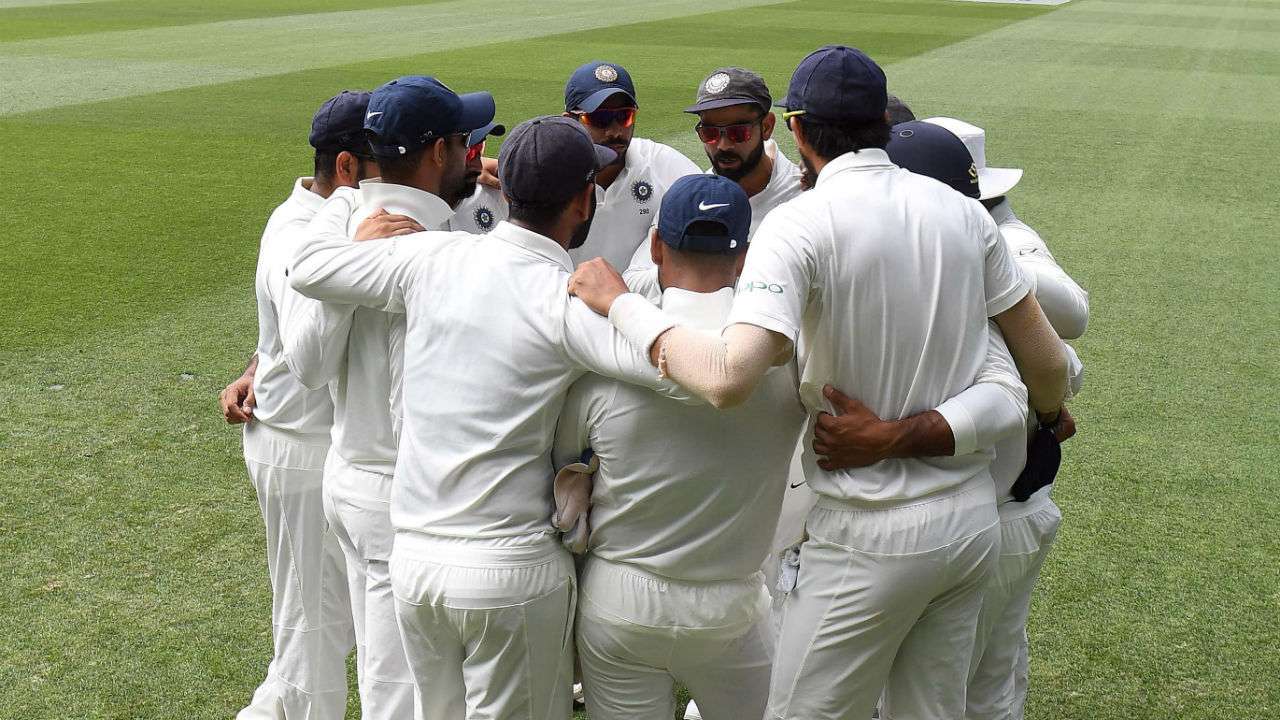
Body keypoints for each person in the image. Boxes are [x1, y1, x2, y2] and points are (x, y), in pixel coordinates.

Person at [567, 45, 1069, 720]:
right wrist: (1047, 415)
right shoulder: (967, 215)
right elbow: (1046, 364)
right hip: (969, 526)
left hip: (869, 532)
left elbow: (725, 379)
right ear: (881, 125)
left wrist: (616, 304)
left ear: (795, 127)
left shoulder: (798, 223)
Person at [288, 116, 689, 720]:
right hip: (510, 574)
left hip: (417, 567)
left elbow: (308, 270)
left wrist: (354, 218)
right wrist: (622, 299)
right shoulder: (561, 302)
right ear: (585, 200)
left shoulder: (429, 256)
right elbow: (677, 368)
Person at [279, 75, 500, 720]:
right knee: (400, 694)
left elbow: (308, 366)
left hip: (349, 480)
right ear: (437, 153)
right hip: (398, 499)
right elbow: (311, 364)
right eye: (464, 142)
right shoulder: (432, 244)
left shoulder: (335, 215)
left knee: (399, 683)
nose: (473, 153)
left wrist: (347, 261)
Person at [912, 116, 1088, 720]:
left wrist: (981, 255)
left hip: (993, 509)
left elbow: (1072, 325)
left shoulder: (1000, 243)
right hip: (1009, 505)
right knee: (993, 680)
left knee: (955, 684)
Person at [222, 90, 378, 720]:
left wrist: (256, 362)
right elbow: (306, 340)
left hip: (309, 438)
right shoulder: (300, 232)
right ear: (346, 169)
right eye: (384, 159)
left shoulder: (317, 218)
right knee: (311, 637)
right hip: (300, 444)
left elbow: (281, 339)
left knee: (322, 627)